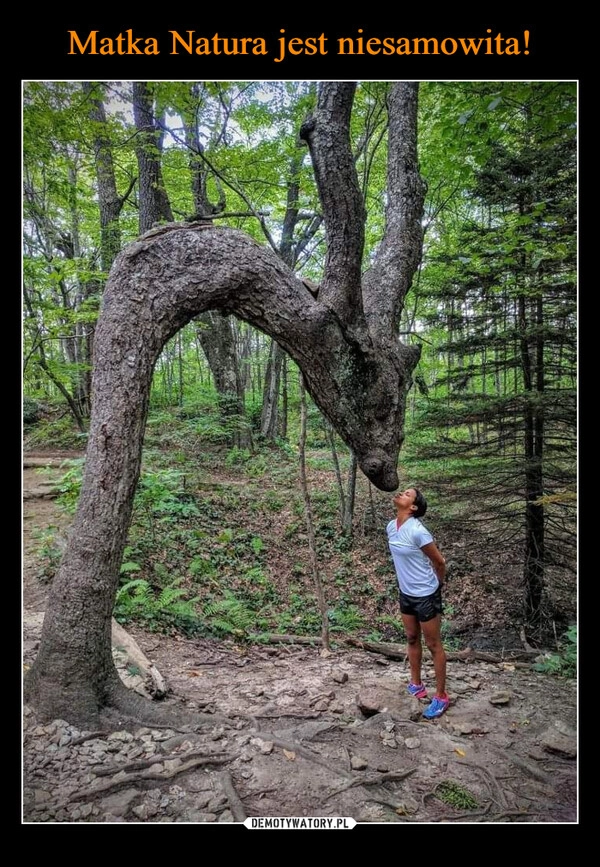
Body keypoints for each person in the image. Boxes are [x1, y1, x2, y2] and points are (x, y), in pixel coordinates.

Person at [386, 487, 449, 719]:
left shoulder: (418, 532)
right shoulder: (391, 527)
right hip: (406, 592)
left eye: (407, 494)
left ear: (413, 507)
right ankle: (416, 684)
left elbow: (439, 562)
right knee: (412, 637)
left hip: (426, 594)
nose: (401, 494)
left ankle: (441, 696)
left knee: (434, 644)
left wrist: (437, 586)